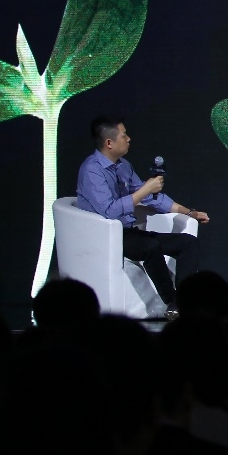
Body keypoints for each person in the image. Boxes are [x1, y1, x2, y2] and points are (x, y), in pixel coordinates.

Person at [76, 116, 206, 319]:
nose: (129, 139)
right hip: (105, 237)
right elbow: (109, 211)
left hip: (128, 232)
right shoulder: (92, 170)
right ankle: (171, 300)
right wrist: (146, 189)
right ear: (109, 143)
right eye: (124, 135)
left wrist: (189, 212)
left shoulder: (123, 166)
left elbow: (152, 198)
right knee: (150, 247)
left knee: (188, 243)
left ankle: (182, 303)